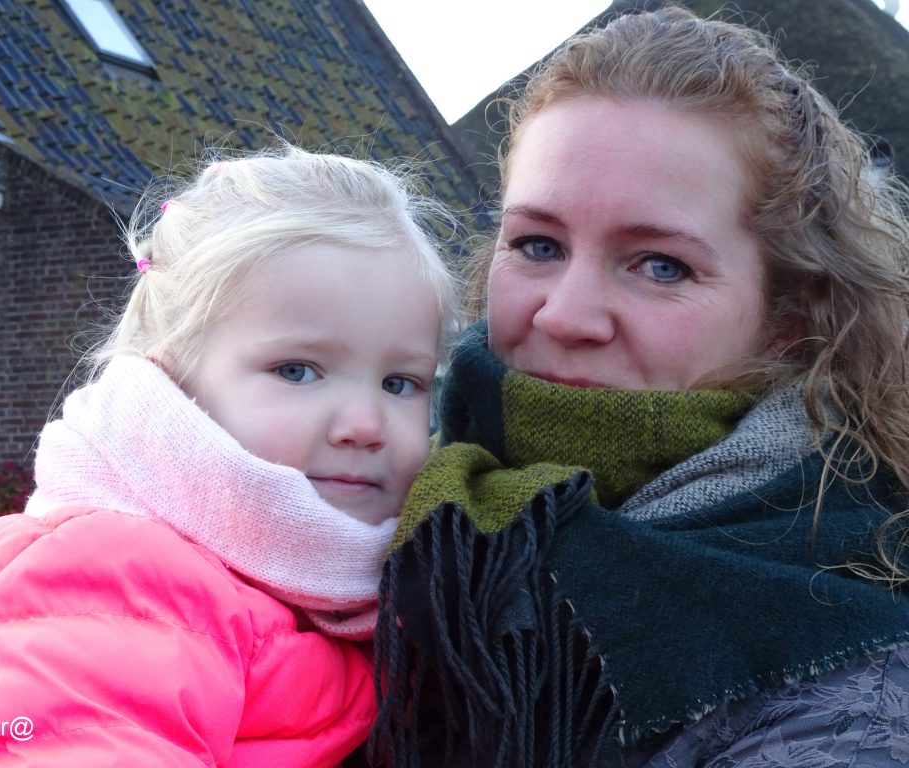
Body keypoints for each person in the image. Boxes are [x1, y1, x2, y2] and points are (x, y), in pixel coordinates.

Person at [369, 7, 909, 768]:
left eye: (661, 265)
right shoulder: (359, 494)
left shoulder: (851, 685)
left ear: (787, 317)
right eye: (538, 245)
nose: (564, 315)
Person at [0, 143, 461, 766]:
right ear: (173, 381)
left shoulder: (361, 586)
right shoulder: (117, 581)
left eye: (400, 383)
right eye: (297, 370)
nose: (365, 424)